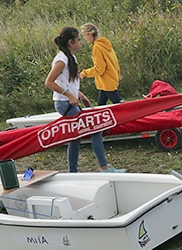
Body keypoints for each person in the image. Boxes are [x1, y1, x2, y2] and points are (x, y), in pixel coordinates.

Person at [44, 27, 125, 173]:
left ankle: (73, 172)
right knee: (95, 128)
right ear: (71, 42)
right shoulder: (61, 60)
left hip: (69, 101)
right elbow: (49, 82)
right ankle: (104, 167)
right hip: (64, 104)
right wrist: (69, 96)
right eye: (79, 39)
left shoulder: (71, 57)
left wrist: (80, 95)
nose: (81, 42)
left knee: (75, 137)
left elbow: (67, 82)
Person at [79, 23, 122, 105]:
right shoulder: (105, 44)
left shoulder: (97, 47)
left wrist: (84, 73)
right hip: (109, 79)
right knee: (101, 105)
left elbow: (99, 69)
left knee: (119, 105)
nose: (84, 38)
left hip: (107, 82)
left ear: (90, 34)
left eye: (85, 35)